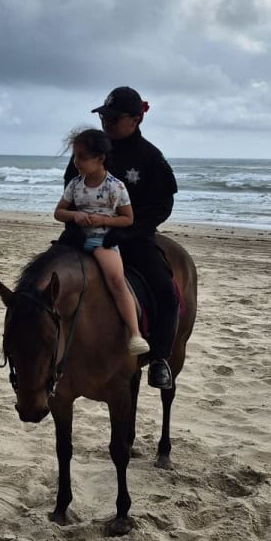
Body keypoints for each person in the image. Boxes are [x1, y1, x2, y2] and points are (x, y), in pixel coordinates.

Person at [63, 86, 179, 389]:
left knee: (167, 292)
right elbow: (70, 193)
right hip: (83, 235)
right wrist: (77, 224)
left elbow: (162, 206)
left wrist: (127, 232)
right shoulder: (88, 149)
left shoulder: (150, 157)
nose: (106, 123)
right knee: (45, 278)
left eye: (113, 119)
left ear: (136, 120)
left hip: (134, 239)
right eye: (104, 117)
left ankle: (159, 358)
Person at [55, 129, 150, 356]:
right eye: (75, 156)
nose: (76, 162)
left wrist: (103, 220)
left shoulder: (115, 187)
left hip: (102, 241)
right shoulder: (75, 184)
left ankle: (134, 333)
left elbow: (128, 219)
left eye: (82, 157)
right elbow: (59, 212)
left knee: (117, 281)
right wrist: (75, 216)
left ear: (100, 158)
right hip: (76, 240)